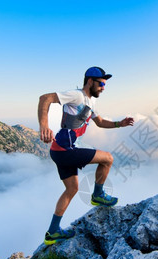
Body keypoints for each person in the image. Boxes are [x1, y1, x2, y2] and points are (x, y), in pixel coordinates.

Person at [38, 66, 134, 245]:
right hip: (66, 148)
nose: (103, 87)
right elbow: (45, 98)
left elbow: (100, 122)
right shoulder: (77, 95)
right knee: (108, 159)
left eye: (105, 84)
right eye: (101, 83)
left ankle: (52, 232)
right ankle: (98, 195)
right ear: (90, 81)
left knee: (72, 188)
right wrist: (44, 125)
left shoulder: (91, 102)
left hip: (59, 149)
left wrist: (119, 124)